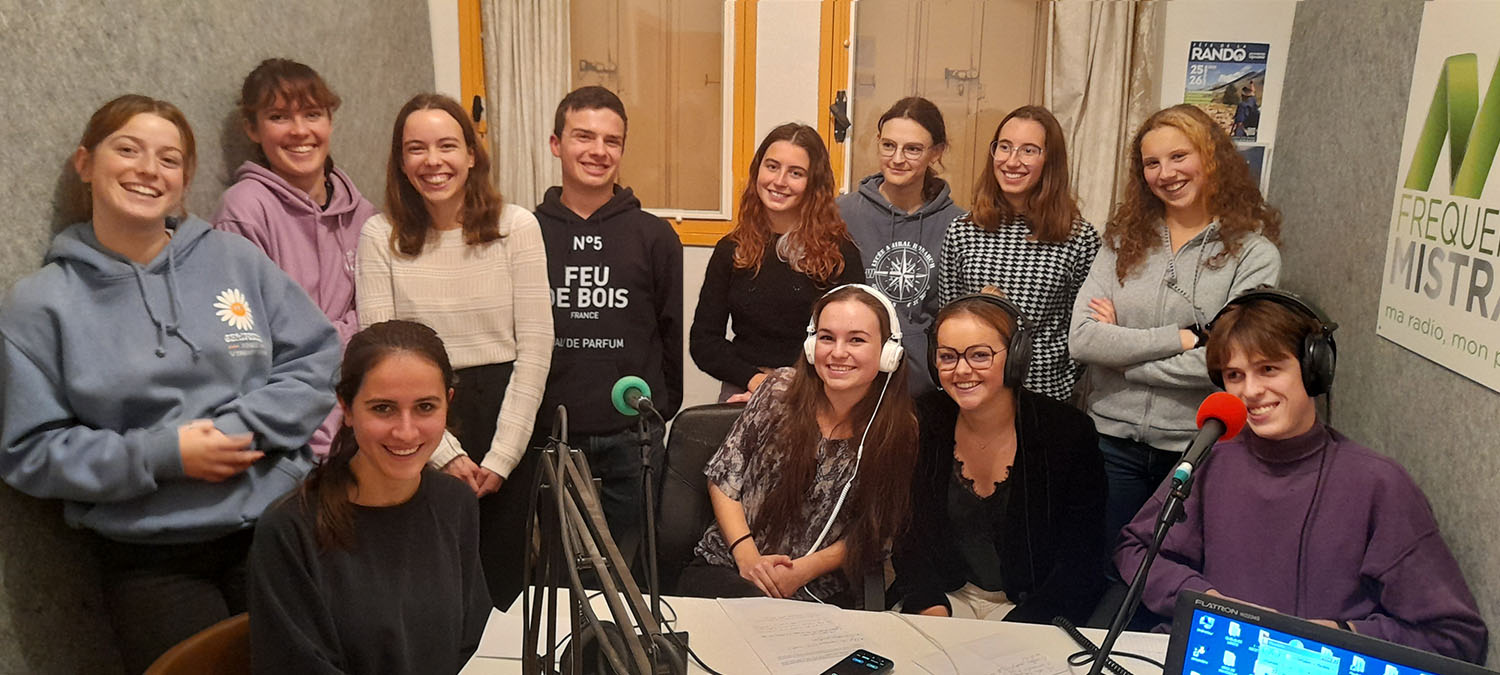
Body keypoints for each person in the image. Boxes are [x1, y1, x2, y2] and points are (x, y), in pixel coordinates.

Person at [0, 94, 341, 674]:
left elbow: (315, 358)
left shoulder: (235, 260)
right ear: (85, 163)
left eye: (169, 158)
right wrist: (165, 454)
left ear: (184, 178)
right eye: (127, 150)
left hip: (275, 526)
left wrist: (240, 430)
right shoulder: (38, 306)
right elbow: (30, 450)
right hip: (150, 556)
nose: (148, 170)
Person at [1115, 288, 1488, 663]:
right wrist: (1209, 602)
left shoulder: (1378, 484)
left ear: (1314, 370)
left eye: (1268, 369)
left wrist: (1334, 635)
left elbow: (1453, 635)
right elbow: (1136, 548)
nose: (1251, 391)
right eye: (1234, 375)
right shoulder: (1212, 458)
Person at [355, 93, 553, 606]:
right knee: (427, 588)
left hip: (506, 418)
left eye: (446, 145)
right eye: (416, 148)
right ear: (401, 161)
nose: (433, 161)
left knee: (504, 588)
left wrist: (502, 457)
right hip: (413, 422)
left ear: (470, 154)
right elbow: (378, 355)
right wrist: (442, 452)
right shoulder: (379, 235)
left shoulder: (517, 227)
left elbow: (535, 349)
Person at [1069, 104, 1281, 541]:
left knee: (1175, 567)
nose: (1166, 173)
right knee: (1107, 566)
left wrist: (1122, 357)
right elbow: (1084, 340)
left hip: (1197, 446)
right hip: (1110, 443)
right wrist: (1182, 338)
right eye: (1152, 163)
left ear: (1211, 158)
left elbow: (1227, 363)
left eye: (1179, 156)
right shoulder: (1121, 243)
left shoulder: (1254, 255)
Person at [249, 320, 490, 674]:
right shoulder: (289, 529)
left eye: (425, 407)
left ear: (447, 404)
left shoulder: (455, 502)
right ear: (346, 408)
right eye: (383, 408)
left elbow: (473, 643)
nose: (406, 432)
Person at [679, 284, 917, 607]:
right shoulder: (778, 391)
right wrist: (748, 559)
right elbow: (723, 480)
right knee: (756, 614)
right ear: (811, 344)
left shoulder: (898, 430)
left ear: (889, 353)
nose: (838, 352)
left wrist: (802, 572)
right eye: (827, 337)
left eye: (856, 340)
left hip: (818, 589)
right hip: (729, 567)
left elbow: (874, 531)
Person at [533, 85, 683, 570]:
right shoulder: (525, 233)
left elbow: (669, 333)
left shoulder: (655, 236)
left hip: (632, 440)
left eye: (611, 141)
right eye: (583, 136)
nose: (598, 151)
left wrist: (657, 414)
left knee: (630, 575)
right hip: (551, 435)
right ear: (556, 144)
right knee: (559, 576)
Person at [891, 291, 1106, 623]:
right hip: (944, 599)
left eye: (980, 355)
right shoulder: (924, 420)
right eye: (948, 356)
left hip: (1033, 609)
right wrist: (930, 608)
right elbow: (909, 539)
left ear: (1016, 356)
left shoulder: (1067, 432)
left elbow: (1080, 560)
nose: (962, 370)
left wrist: (1015, 632)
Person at [214, 58, 377, 456]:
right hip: (293, 431)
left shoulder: (363, 214)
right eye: (279, 117)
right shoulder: (243, 210)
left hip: (364, 420)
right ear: (253, 129)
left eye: (312, 114)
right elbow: (250, 342)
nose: (300, 130)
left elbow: (379, 318)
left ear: (330, 122)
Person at [690, 123, 865, 401]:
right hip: (746, 386)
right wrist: (757, 381)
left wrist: (793, 388)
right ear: (758, 170)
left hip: (819, 390)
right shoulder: (731, 249)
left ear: (814, 183)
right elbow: (704, 342)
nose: (780, 181)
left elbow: (855, 343)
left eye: (796, 173)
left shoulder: (841, 253)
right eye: (772, 167)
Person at [939, 105, 1099, 402]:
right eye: (1005, 147)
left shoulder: (1079, 238)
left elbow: (1082, 333)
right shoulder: (962, 231)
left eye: (1028, 150)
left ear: (1050, 160)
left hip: (1045, 395)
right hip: (973, 393)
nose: (1012, 161)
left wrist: (1059, 382)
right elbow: (948, 321)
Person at [837, 97, 965, 395]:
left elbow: (956, 314)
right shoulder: (841, 214)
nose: (897, 158)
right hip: (851, 382)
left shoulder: (958, 225)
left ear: (936, 152)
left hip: (925, 388)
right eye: (888, 145)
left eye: (913, 149)